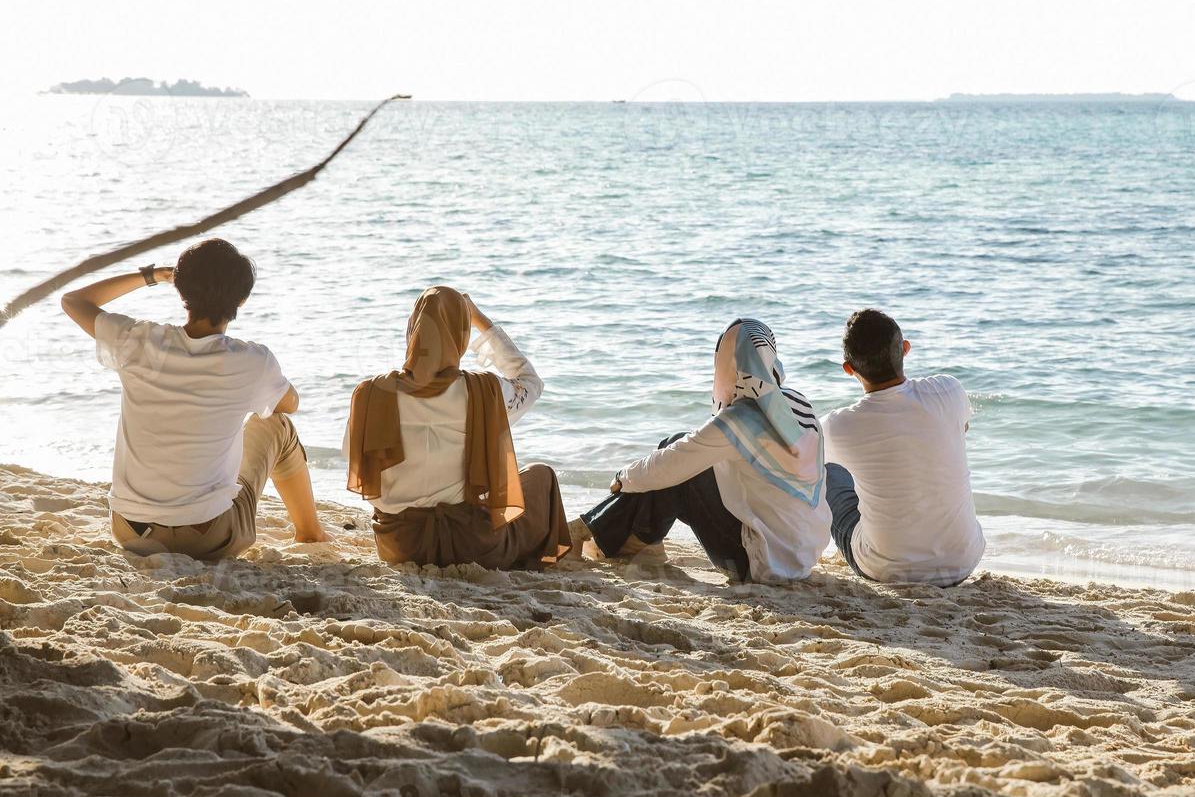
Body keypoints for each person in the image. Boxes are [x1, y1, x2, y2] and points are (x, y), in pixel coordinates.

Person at [60, 238, 327, 559]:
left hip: (131, 531)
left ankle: (309, 531)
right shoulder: (251, 361)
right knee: (276, 424)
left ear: (181, 290)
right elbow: (289, 405)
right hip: (210, 537)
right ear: (241, 300)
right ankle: (311, 532)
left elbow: (74, 300)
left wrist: (150, 275)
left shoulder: (138, 341)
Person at [569, 318, 831, 584]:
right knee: (680, 452)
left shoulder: (740, 420)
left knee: (675, 461)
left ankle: (609, 533)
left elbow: (670, 464)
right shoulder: (799, 404)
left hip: (757, 562)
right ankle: (627, 537)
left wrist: (622, 477)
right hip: (801, 557)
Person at [344, 286, 575, 570]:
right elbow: (530, 383)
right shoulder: (484, 392)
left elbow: (356, 461)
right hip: (474, 544)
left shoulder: (370, 394)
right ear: (461, 336)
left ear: (412, 330)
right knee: (542, 476)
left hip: (399, 545)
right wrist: (480, 320)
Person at [822, 309, 984, 586]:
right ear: (905, 349)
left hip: (887, 570)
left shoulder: (837, 426)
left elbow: (797, 457)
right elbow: (962, 429)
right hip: (963, 560)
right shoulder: (950, 390)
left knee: (825, 470)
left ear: (848, 369)